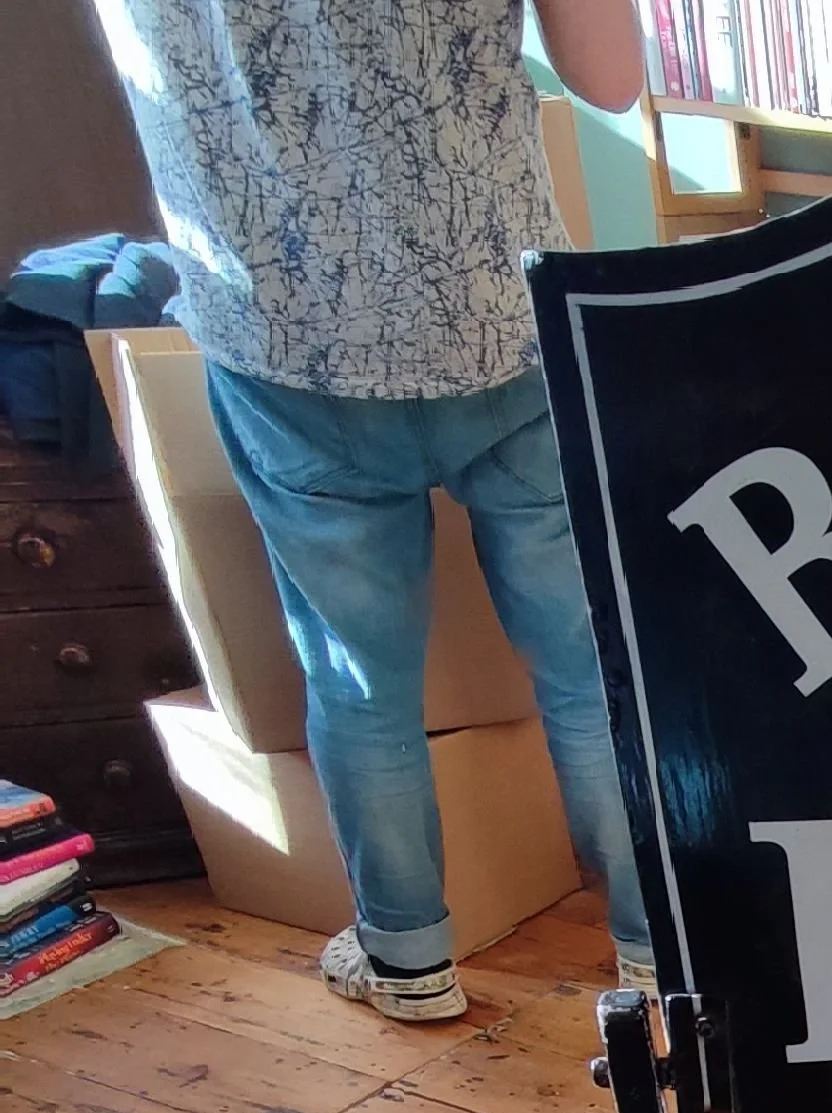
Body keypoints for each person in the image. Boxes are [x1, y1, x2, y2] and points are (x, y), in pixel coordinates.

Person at [95, 0, 655, 1022]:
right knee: (588, 666)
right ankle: (656, 947)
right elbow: (609, 78)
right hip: (496, 311)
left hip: (285, 338)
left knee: (357, 676)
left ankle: (406, 956)